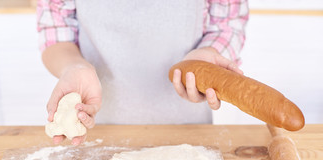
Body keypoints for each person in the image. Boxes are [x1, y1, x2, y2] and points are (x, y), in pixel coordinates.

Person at [37, 0, 249, 145]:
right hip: (96, 126)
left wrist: (203, 61)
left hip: (188, 128)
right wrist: (74, 67)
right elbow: (55, 33)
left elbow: (227, 26)